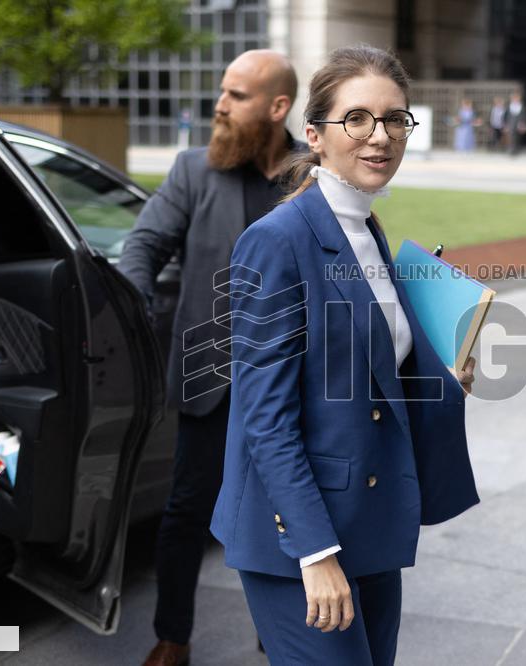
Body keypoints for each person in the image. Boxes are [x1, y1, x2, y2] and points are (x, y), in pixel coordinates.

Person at [209, 44, 480, 665]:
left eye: (394, 119)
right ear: (314, 133)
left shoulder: (368, 229)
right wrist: (315, 553)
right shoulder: (274, 241)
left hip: (371, 519)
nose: (379, 136)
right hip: (302, 538)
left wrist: (445, 380)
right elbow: (264, 417)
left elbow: (369, 379)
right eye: (356, 118)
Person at [117, 49, 302, 666]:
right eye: (222, 91)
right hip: (209, 382)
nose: (219, 105)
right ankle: (172, 637)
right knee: (185, 514)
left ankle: (278, 637)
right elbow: (144, 243)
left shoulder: (314, 179)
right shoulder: (193, 169)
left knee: (289, 515)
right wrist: (135, 299)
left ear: (278, 108)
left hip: (289, 386)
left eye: (236, 95)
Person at [505, 92, 526, 156]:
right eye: (513, 98)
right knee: (511, 137)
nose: (515, 99)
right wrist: (506, 125)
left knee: (518, 137)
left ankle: (517, 149)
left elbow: (525, 116)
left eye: (516, 98)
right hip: (511, 123)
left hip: (519, 124)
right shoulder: (508, 106)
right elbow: (506, 116)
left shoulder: (522, 106)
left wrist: (524, 124)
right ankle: (511, 149)